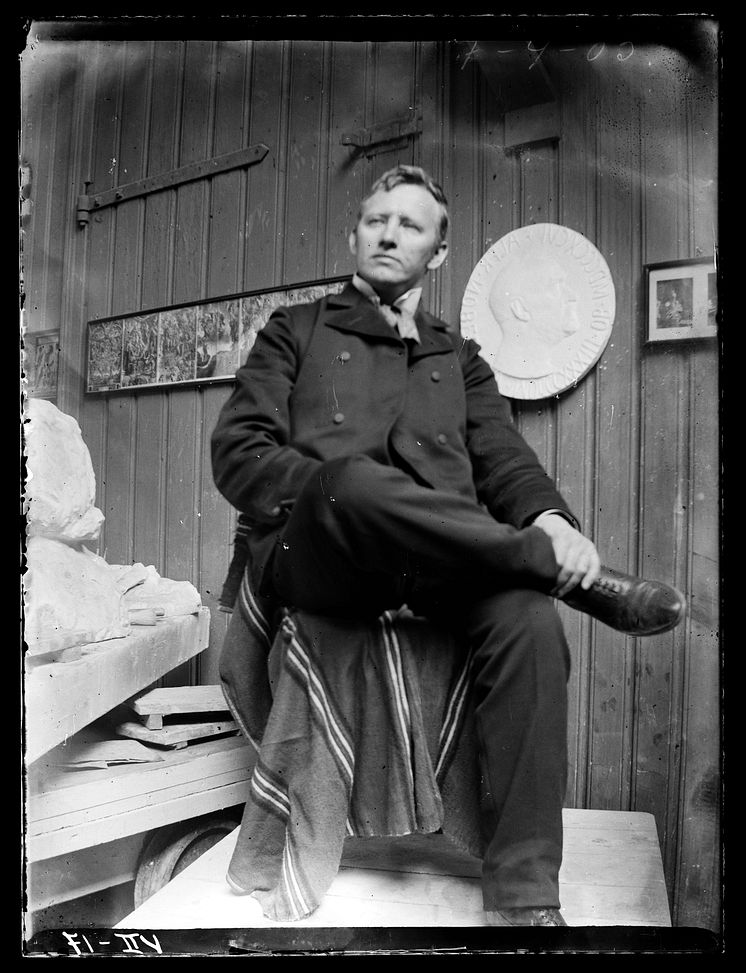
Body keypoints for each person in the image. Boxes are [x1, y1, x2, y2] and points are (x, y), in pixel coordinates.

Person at [211, 165, 684, 927]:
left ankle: (525, 900)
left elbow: (503, 459)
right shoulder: (296, 330)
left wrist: (552, 519)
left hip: (440, 566)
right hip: (324, 552)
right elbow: (237, 452)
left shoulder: (457, 356)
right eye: (376, 220)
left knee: (530, 622)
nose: (389, 233)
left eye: (410, 224)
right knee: (353, 484)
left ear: (437, 252)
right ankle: (553, 571)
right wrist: (333, 492)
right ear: (355, 234)